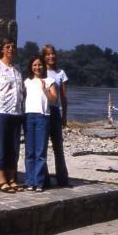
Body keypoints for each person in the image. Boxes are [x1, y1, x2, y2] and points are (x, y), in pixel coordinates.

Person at [0, 37, 24, 193]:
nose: (10, 49)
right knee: (0, 146)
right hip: (0, 112)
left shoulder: (18, 69)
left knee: (14, 148)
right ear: (2, 49)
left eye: (13, 47)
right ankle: (2, 181)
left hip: (16, 113)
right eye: (7, 47)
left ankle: (13, 178)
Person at [24, 55, 57, 192]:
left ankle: (39, 182)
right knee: (29, 152)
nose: (37, 67)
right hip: (28, 116)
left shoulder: (49, 81)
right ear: (31, 67)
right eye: (34, 65)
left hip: (43, 117)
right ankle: (29, 182)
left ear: (43, 66)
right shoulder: (26, 81)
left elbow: (54, 99)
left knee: (40, 152)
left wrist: (45, 90)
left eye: (39, 65)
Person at [42, 44, 70, 187]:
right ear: (44, 56)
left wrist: (64, 115)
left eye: (52, 54)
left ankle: (63, 179)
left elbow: (63, 98)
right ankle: (45, 179)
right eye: (47, 54)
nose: (51, 56)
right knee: (42, 147)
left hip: (55, 113)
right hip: (42, 112)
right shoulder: (40, 72)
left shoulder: (60, 73)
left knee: (58, 148)